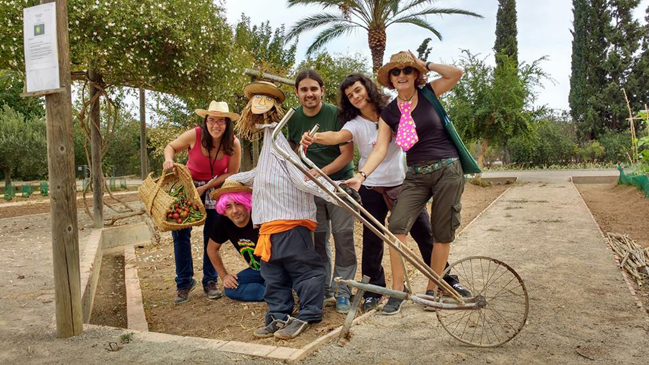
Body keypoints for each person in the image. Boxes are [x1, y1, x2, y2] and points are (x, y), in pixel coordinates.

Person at [300, 73, 469, 314]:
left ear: (368, 88)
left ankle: (446, 280)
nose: (355, 97)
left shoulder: (392, 111)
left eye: (358, 91)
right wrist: (314, 137)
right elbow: (339, 137)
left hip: (402, 182)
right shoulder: (354, 123)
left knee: (424, 232)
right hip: (370, 186)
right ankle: (373, 290)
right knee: (373, 240)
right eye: (349, 96)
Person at [344, 51, 469, 314]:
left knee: (441, 230)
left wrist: (423, 63)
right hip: (415, 175)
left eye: (407, 71)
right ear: (390, 78)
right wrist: (361, 175)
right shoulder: (389, 113)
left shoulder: (429, 93)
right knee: (396, 228)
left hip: (447, 169)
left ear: (415, 75)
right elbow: (379, 149)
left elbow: (455, 73)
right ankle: (397, 292)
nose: (402, 75)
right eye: (396, 72)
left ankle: (434, 288)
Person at [228, 80, 338, 340]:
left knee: (305, 270)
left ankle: (309, 313)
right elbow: (260, 174)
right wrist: (230, 180)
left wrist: (335, 192)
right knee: (273, 274)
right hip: (267, 228)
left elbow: (303, 180)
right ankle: (278, 315)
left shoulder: (282, 146)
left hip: (291, 224)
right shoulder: (269, 147)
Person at [287, 69, 356, 314]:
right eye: (304, 89)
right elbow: (294, 151)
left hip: (339, 185)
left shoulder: (336, 115)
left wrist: (319, 172)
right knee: (318, 240)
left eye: (314, 89)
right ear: (297, 92)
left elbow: (347, 155)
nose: (309, 94)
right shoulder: (293, 118)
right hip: (311, 188)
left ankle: (344, 291)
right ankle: (324, 287)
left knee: (343, 237)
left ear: (322, 91)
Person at [163, 101, 242, 304]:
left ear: (227, 123)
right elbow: (170, 147)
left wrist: (206, 188)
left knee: (212, 235)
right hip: (189, 187)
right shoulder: (195, 135)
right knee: (180, 234)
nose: (216, 125)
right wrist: (169, 160)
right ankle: (184, 282)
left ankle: (210, 281)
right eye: (212, 120)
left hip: (214, 188)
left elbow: (232, 172)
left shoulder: (233, 143)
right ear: (206, 121)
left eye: (221, 121)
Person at [206, 180, 264, 302]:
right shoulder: (222, 222)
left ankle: (277, 289)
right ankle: (274, 292)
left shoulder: (261, 216)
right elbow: (211, 249)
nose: (235, 210)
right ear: (224, 212)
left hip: (277, 269)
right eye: (228, 206)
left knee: (279, 280)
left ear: (247, 203)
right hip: (257, 271)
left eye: (238, 203)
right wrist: (224, 276)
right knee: (231, 288)